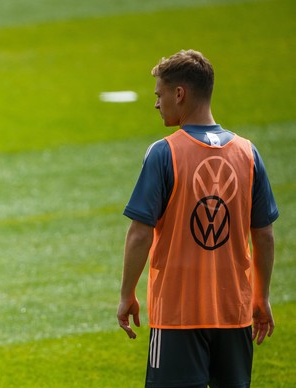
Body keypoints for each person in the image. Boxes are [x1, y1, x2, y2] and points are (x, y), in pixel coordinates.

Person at [116, 49, 278, 387]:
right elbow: (264, 235)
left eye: (159, 94)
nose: (156, 104)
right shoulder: (249, 153)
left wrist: (126, 294)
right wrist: (260, 297)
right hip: (234, 314)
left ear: (179, 93)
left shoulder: (165, 152)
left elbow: (139, 233)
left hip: (177, 316)